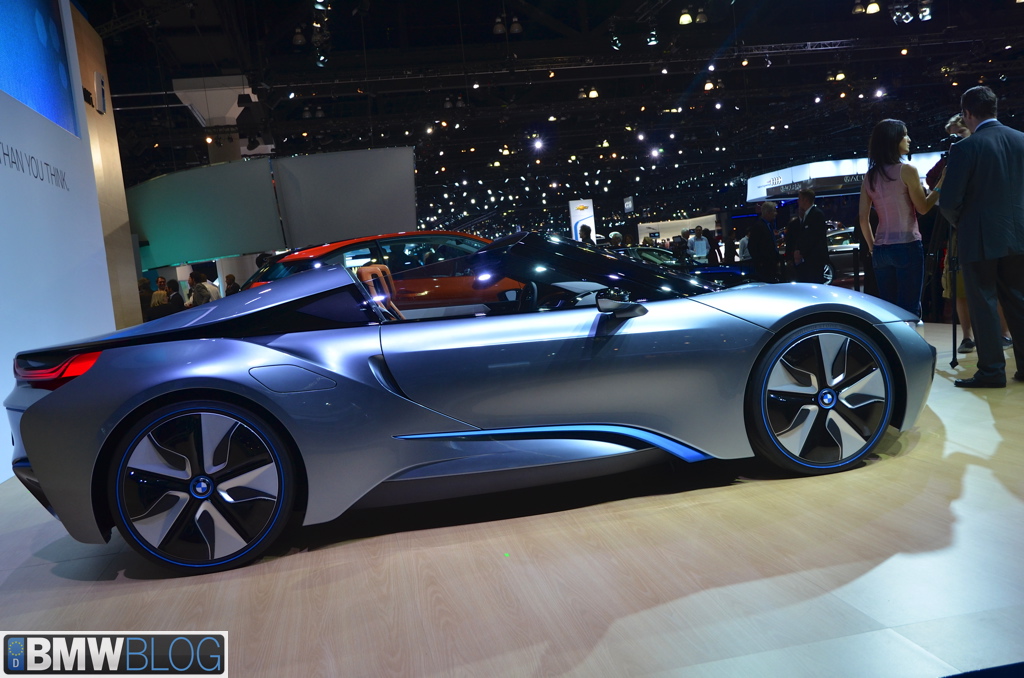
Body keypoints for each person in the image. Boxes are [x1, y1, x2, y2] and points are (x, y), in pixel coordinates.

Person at [939, 86, 1024, 388]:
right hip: (1019, 235)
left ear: (967, 113)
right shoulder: (1021, 139)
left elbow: (948, 202)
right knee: (1018, 300)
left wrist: (963, 223)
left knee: (984, 302)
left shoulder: (966, 148)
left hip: (980, 238)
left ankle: (992, 371)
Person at [858, 119, 943, 315]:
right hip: (907, 244)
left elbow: (863, 218)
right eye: (905, 135)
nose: (909, 139)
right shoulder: (907, 170)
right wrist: (941, 184)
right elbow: (923, 208)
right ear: (893, 139)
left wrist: (872, 248)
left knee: (889, 311)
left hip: (880, 250)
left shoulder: (869, 176)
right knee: (909, 310)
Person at [791, 189, 829, 284]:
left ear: (806, 200)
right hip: (809, 259)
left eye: (800, 198)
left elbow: (813, 237)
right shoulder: (807, 215)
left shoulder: (816, 214)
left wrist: (801, 252)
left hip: (814, 260)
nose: (798, 201)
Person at [747, 202, 780, 282]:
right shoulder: (758, 226)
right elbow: (752, 246)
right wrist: (760, 262)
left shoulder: (768, 225)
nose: (776, 213)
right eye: (774, 211)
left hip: (771, 264)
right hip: (764, 266)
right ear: (768, 212)